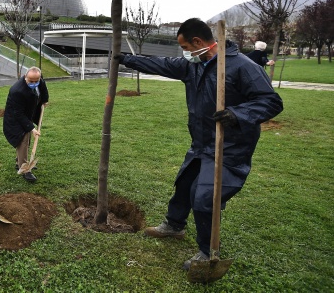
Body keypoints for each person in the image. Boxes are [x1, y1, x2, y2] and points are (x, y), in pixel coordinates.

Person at [114, 18, 283, 270]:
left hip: (230, 147)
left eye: (185, 47)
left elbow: (271, 102)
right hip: (202, 143)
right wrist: (127, 59)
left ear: (198, 42)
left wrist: (238, 114)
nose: (184, 53)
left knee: (204, 197)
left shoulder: (241, 66)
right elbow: (161, 64)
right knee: (184, 184)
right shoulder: (193, 66)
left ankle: (207, 253)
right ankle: (174, 226)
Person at [3, 66, 49, 183]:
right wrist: (32, 128)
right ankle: (24, 168)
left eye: (36, 81)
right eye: (31, 81)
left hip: (28, 113)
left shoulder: (39, 80)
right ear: (25, 77)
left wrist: (45, 100)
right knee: (23, 139)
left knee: (27, 138)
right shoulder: (17, 91)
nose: (34, 83)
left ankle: (20, 161)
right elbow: (18, 114)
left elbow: (43, 89)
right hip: (15, 117)